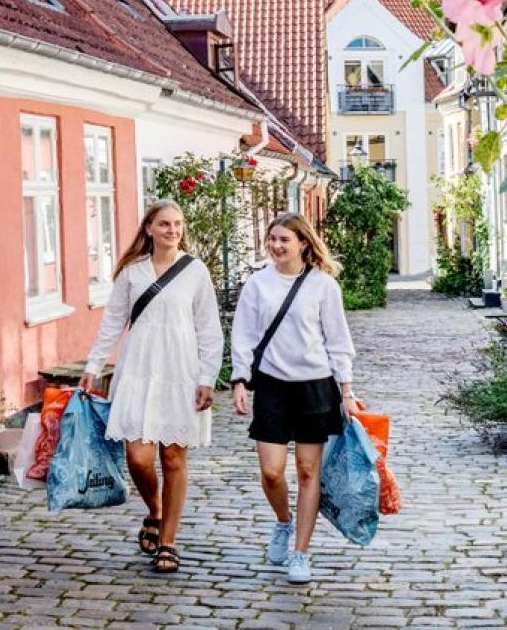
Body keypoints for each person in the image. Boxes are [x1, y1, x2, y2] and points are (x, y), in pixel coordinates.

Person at [80, 199, 223, 574]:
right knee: (138, 458)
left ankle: (169, 542)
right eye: (164, 224)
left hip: (180, 372)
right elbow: (112, 322)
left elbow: (209, 328)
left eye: (177, 224)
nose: (172, 230)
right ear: (149, 228)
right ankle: (155, 510)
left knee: (174, 459)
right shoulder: (133, 273)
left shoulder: (195, 272)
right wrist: (93, 366)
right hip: (139, 370)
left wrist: (208, 377)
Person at [230, 212, 359, 585]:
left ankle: (301, 553)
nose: (276, 246)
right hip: (272, 385)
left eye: (284, 239)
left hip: (314, 387)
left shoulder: (323, 286)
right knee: (271, 471)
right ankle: (283, 523)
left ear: (303, 242)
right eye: (272, 239)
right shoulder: (257, 285)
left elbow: (338, 341)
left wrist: (346, 391)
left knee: (307, 471)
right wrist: (239, 379)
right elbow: (243, 335)